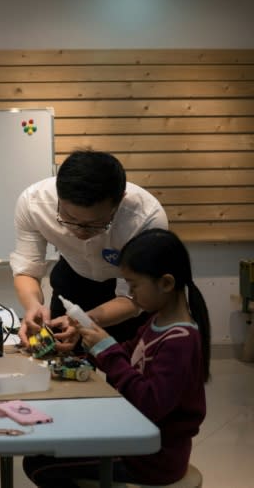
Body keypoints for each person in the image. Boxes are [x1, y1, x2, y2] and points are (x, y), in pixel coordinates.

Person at [23, 228, 210, 486]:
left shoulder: (181, 340)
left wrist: (107, 350)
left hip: (152, 458)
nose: (131, 295)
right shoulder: (158, 322)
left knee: (38, 464)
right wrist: (85, 347)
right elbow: (128, 355)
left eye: (134, 286)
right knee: (55, 437)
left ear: (166, 283)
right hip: (135, 439)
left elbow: (150, 404)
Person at [11, 149, 168, 351]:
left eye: (95, 223)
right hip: (74, 278)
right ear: (58, 194)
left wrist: (83, 320)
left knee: (126, 369)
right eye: (70, 219)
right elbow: (27, 270)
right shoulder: (34, 203)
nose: (80, 231)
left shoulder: (146, 219)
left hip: (131, 290)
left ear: (119, 200)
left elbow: (133, 298)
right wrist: (33, 306)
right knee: (61, 358)